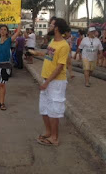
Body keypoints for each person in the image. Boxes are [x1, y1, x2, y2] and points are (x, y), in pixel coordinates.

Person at [29, 18, 70, 146]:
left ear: (57, 28)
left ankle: (54, 138)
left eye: (51, 25)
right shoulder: (53, 41)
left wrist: (47, 83)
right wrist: (38, 53)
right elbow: (49, 56)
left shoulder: (64, 45)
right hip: (47, 79)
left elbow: (59, 67)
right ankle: (48, 132)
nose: (49, 27)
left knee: (54, 110)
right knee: (44, 108)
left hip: (56, 82)